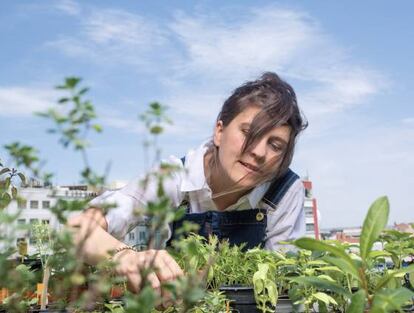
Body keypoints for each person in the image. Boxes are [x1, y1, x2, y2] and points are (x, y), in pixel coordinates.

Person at [68, 72, 308, 295]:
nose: (258, 152)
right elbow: (77, 229)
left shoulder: (284, 192)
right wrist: (125, 258)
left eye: (275, 145)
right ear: (219, 131)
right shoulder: (173, 178)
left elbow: (281, 284)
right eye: (248, 132)